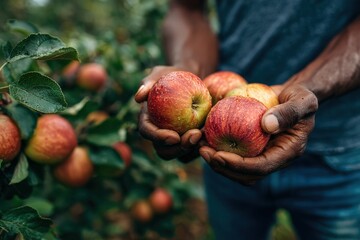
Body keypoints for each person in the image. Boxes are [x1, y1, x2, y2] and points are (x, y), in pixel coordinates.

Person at [135, 0, 360, 239]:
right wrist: (187, 70)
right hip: (219, 146)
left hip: (340, 157)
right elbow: (186, 8)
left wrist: (309, 86)